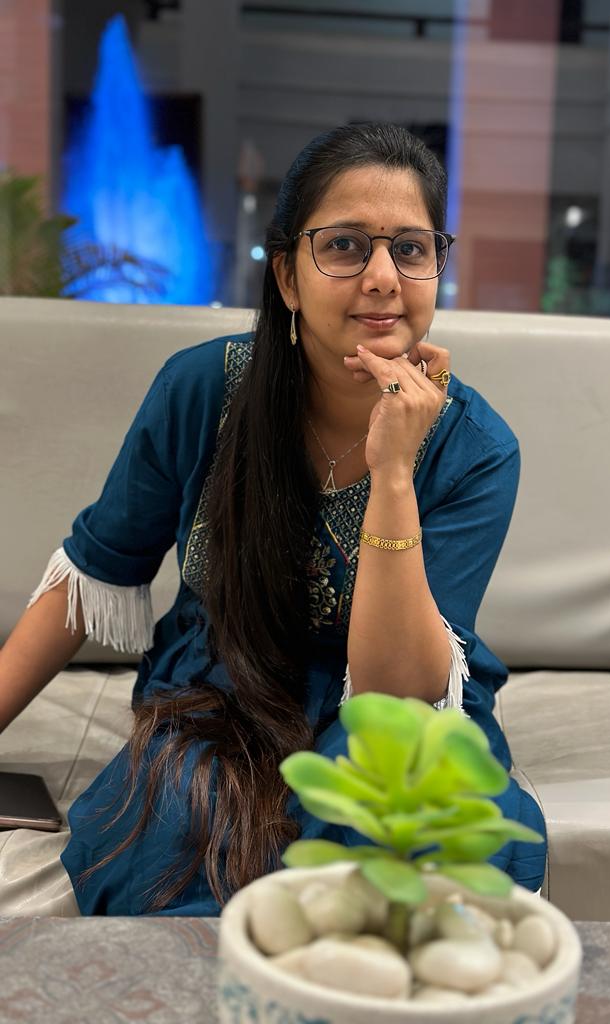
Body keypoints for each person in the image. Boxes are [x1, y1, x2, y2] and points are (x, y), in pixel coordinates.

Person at [1, 122, 547, 915]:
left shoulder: (476, 447)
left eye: (411, 249)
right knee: (177, 831)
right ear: (288, 275)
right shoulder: (202, 391)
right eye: (346, 246)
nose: (383, 278)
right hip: (222, 692)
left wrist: (395, 469)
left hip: (395, 714)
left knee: (410, 842)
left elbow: (395, 697)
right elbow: (93, 571)